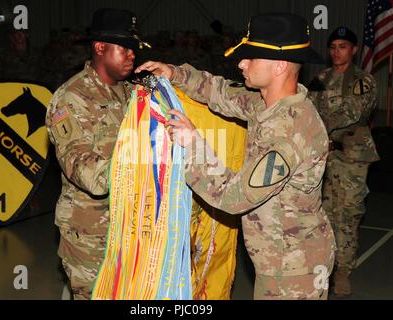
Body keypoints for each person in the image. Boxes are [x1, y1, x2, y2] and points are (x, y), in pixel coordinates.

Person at [136, 13, 336, 300]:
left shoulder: (289, 132)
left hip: (294, 271)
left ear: (279, 65)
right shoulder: (269, 104)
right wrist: (174, 73)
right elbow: (222, 92)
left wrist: (192, 143)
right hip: (281, 258)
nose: (241, 63)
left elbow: (234, 197)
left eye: (251, 57)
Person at [45, 8, 147, 300]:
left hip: (129, 225)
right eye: (124, 48)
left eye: (133, 49)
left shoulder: (129, 92)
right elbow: (88, 173)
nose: (131, 55)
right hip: (90, 233)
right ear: (100, 47)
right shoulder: (71, 99)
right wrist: (145, 160)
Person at [307, 27, 380, 297]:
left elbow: (353, 111)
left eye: (343, 46)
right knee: (322, 213)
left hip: (351, 156)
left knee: (347, 213)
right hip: (322, 155)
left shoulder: (363, 81)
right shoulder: (320, 78)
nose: (336, 51)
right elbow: (308, 107)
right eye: (333, 46)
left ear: (354, 50)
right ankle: (324, 265)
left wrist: (319, 129)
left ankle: (342, 271)